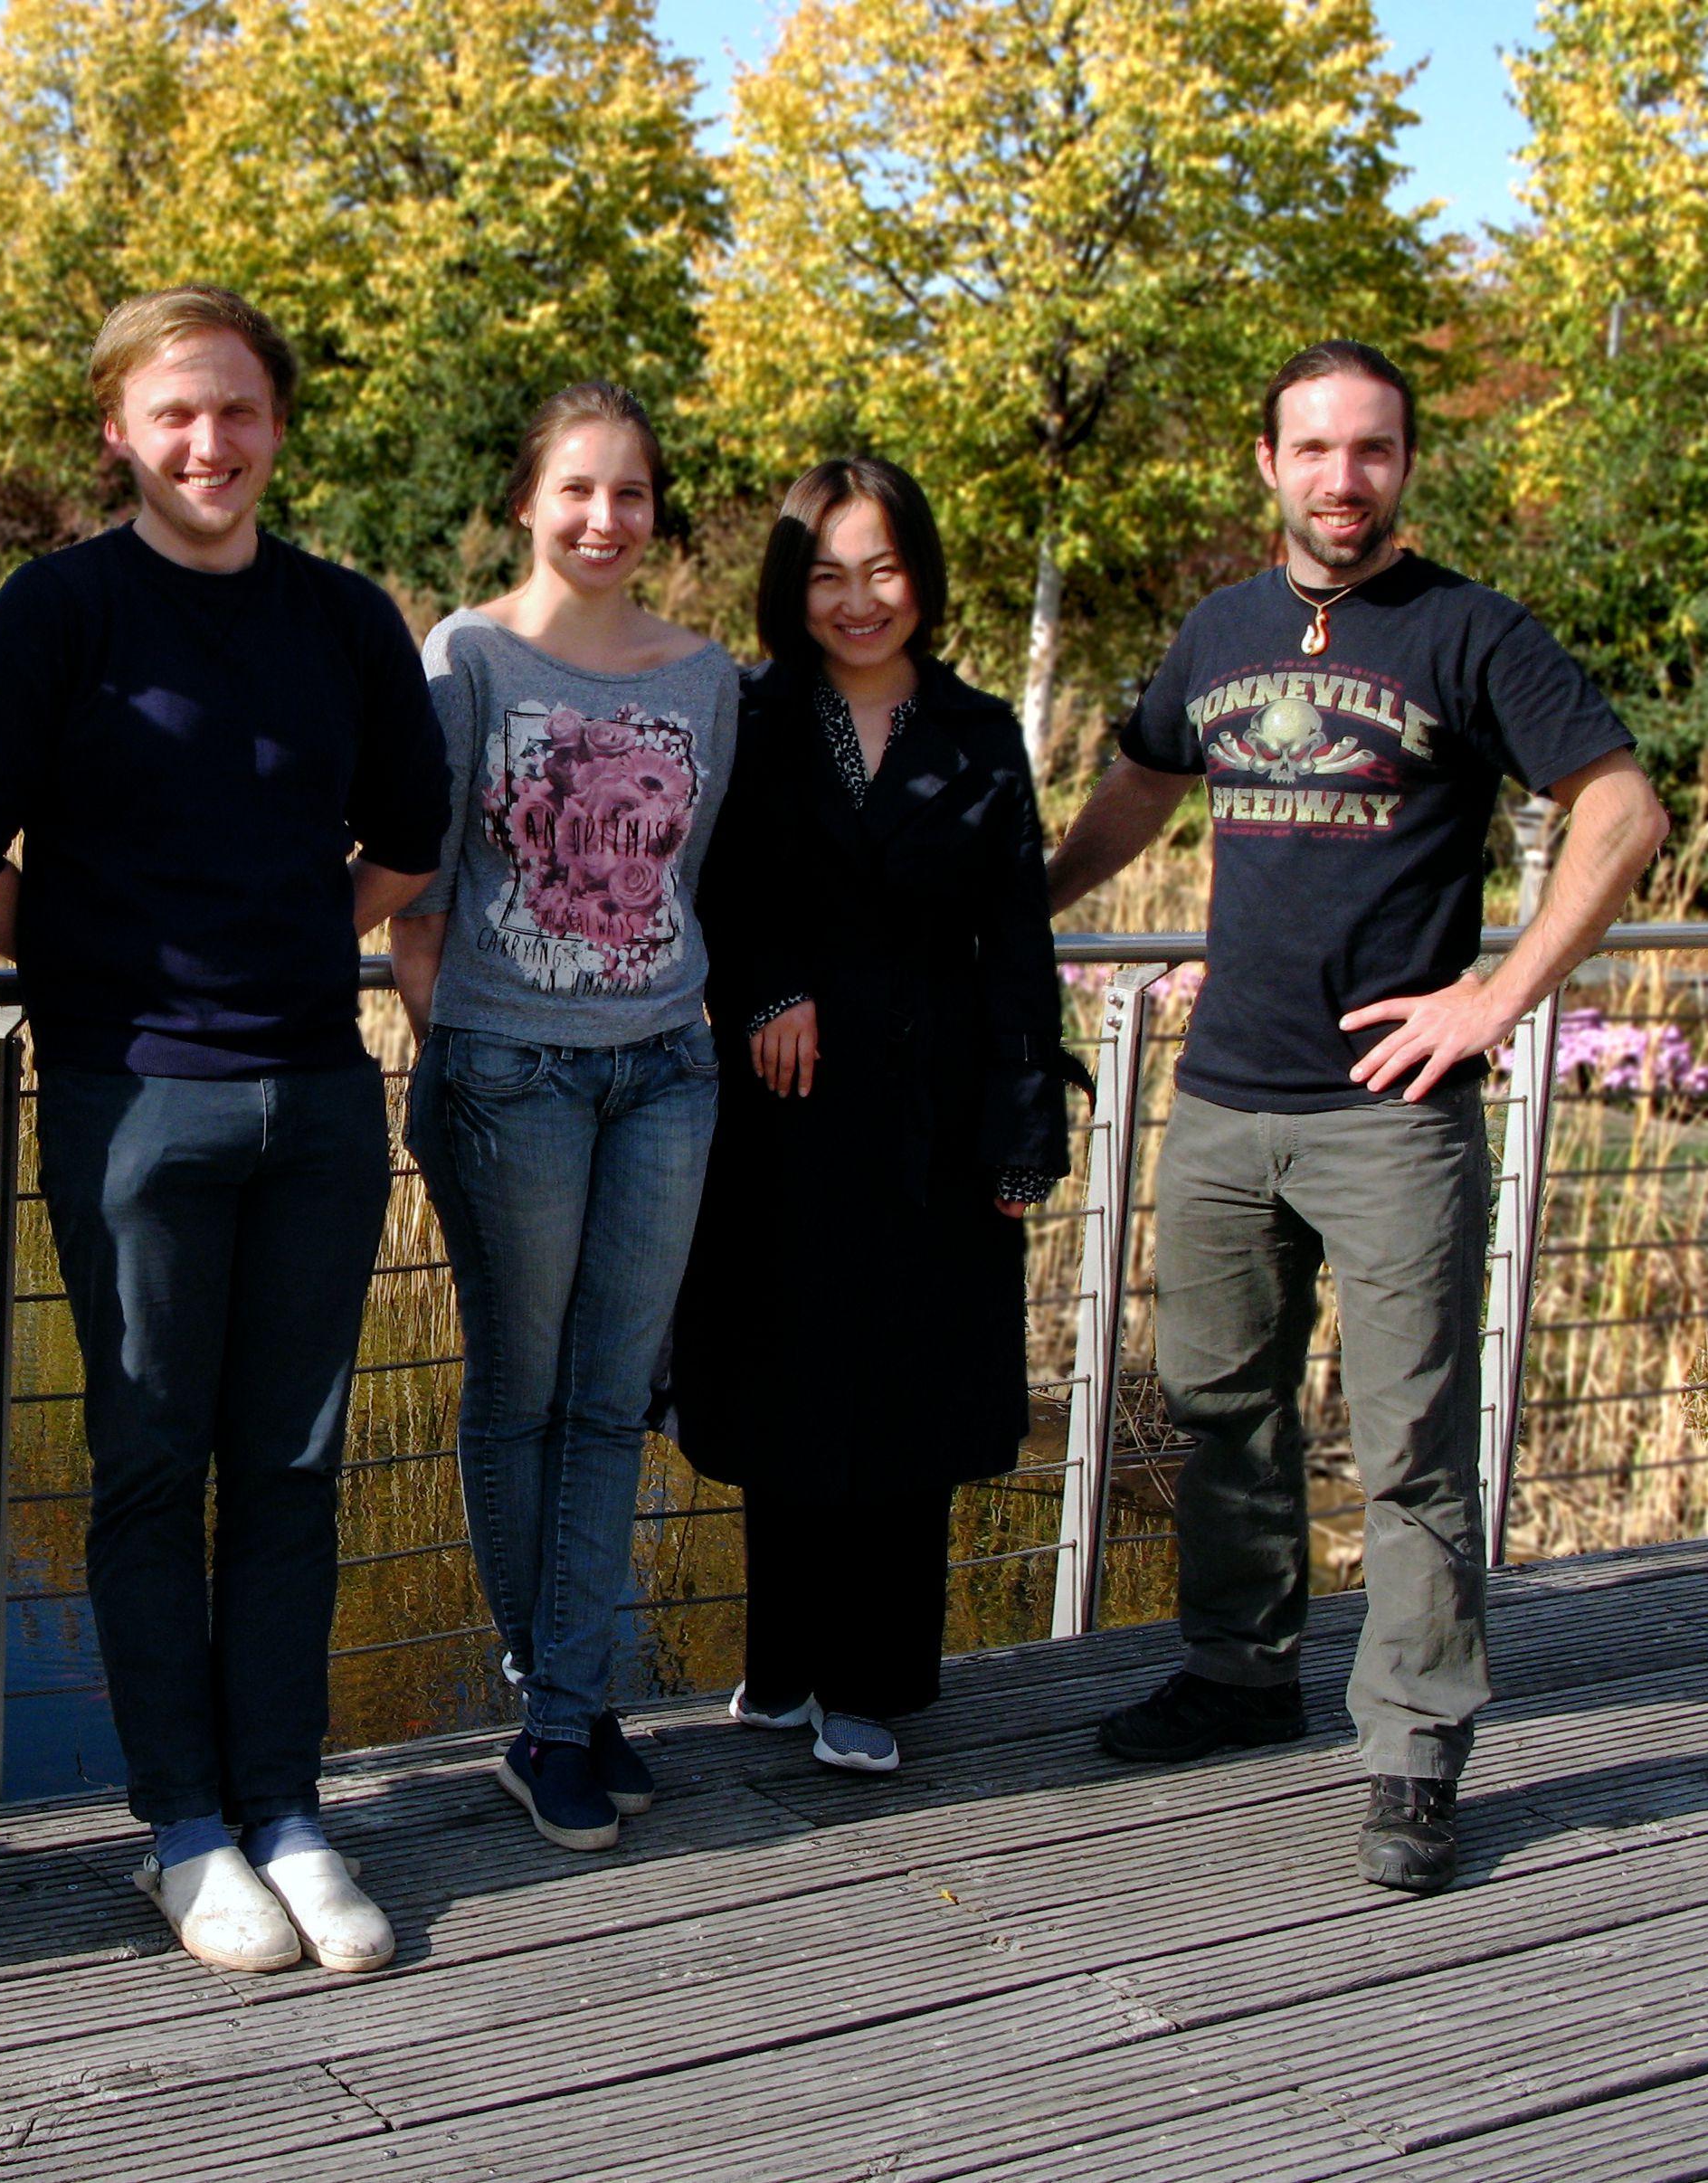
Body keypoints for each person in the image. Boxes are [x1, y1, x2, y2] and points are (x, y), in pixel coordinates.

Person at [1049, 341, 1667, 1891]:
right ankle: (1238, 1673)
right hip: (1220, 1100)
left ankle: (1411, 1745)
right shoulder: (1217, 630)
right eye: (1315, 450)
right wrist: (1024, 902)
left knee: (1407, 1449)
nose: (1343, 479)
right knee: (1218, 1411)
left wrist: (1494, 996)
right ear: (1267, 463)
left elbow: (1623, 809)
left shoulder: (1470, 631)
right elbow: (1140, 784)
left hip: (1391, 1116)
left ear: (1404, 464)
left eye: (1372, 450)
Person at [0, 287, 449, 1976]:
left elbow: (410, 841)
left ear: (275, 424)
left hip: (314, 1097)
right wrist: (106, 961)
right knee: (151, 1466)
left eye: (235, 410)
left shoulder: (343, 619)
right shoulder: (59, 612)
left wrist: (280, 940)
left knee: (292, 1465)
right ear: (119, 432)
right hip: (129, 1100)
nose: (207, 442)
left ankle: (285, 1808)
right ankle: (183, 1831)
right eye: (174, 413)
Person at [662, 458, 1071, 1778]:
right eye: (828, 573)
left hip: (934, 1110)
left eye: (882, 569)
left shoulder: (978, 728)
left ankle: (870, 1678)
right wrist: (767, 985)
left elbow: (1018, 936)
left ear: (921, 577)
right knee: (785, 1378)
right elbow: (707, 882)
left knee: (907, 1390)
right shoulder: (746, 713)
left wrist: (1025, 1120)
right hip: (780, 1107)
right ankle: (782, 1664)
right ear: (793, 587)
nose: (857, 600)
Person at [387, 384, 735, 1852]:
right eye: (577, 490)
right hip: (507, 1075)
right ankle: (556, 1706)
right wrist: (459, 1054)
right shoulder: (464, 656)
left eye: (631, 492)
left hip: (663, 1071)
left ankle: (567, 1703)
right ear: (527, 501)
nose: (604, 518)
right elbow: (415, 892)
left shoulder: (706, 675)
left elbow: (688, 877)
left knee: (611, 1398)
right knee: (519, 1391)